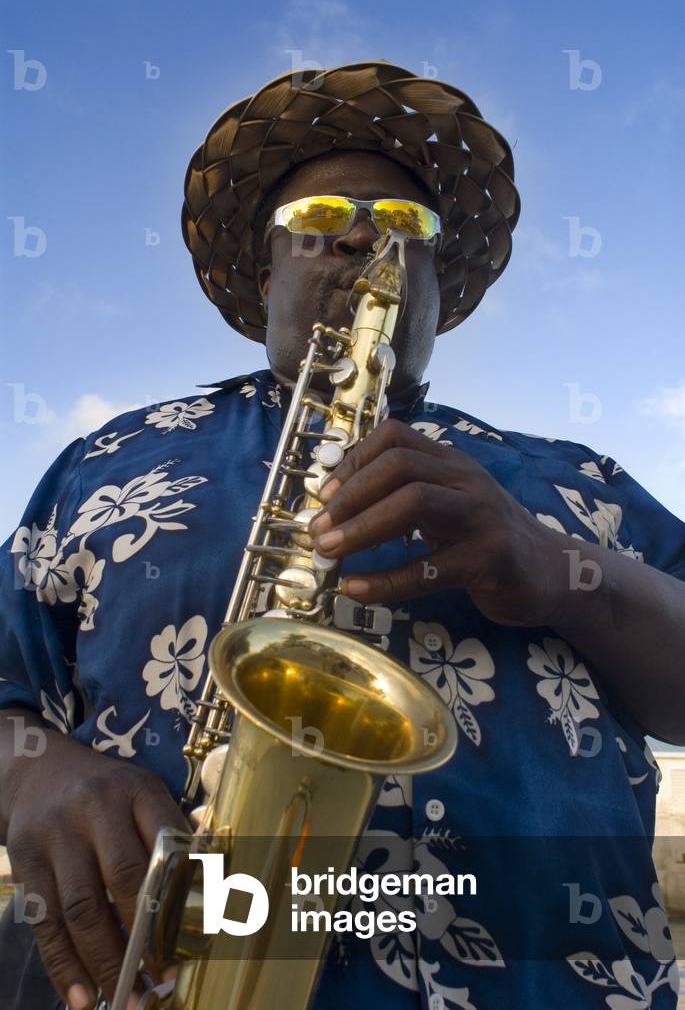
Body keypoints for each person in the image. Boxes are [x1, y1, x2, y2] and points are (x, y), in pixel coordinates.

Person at [1, 61, 683, 1010]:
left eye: (407, 225)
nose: (365, 233)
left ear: (438, 285)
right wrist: (26, 777)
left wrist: (552, 566)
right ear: (266, 265)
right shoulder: (103, 461)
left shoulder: (581, 478)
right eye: (322, 216)